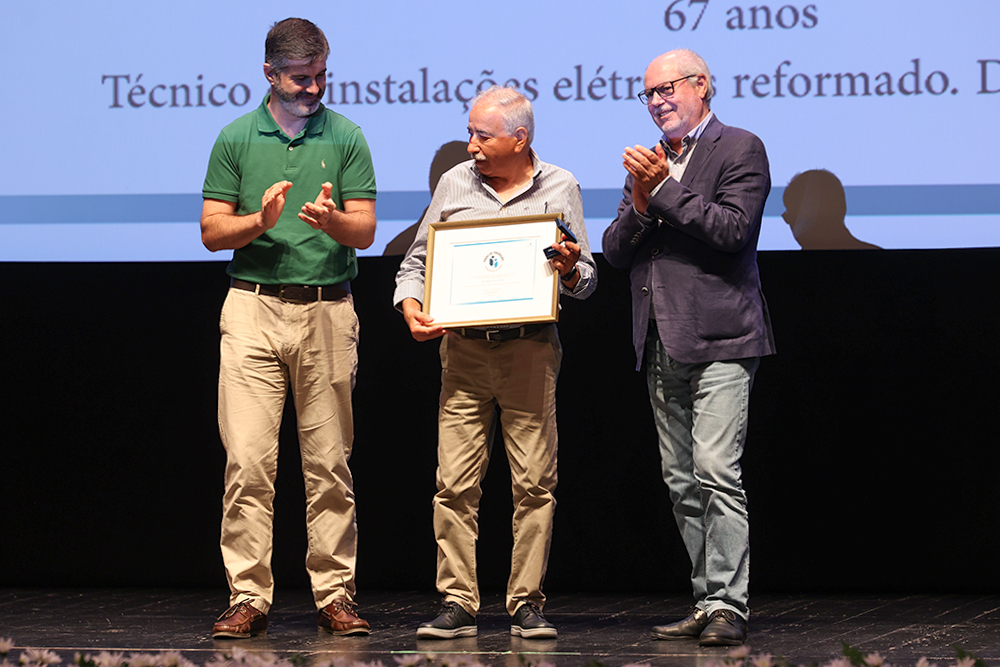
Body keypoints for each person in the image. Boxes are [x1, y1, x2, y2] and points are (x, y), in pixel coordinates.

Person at [393, 86, 596, 640]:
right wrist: (411, 306)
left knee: (534, 483)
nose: (472, 144)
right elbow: (416, 262)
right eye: (470, 132)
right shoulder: (454, 183)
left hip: (530, 349)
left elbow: (587, 280)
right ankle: (458, 601)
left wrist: (573, 267)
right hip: (462, 350)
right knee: (454, 483)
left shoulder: (560, 186)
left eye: (483, 135)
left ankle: (526, 602)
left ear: (519, 138)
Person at [200, 17, 376, 639]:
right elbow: (211, 231)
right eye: (301, 78)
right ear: (270, 75)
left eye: (321, 75)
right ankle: (248, 595)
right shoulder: (235, 137)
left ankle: (335, 594)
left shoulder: (348, 136)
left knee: (329, 464)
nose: (313, 88)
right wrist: (259, 220)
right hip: (251, 309)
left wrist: (331, 222)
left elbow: (366, 230)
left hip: (328, 309)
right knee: (248, 462)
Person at [602, 49, 776, 647]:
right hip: (658, 336)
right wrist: (644, 201)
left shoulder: (740, 147)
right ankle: (706, 601)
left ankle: (731, 604)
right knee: (680, 480)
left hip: (723, 337)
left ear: (701, 86)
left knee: (714, 469)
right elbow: (617, 248)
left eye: (667, 89)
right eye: (648, 94)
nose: (656, 101)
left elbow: (732, 231)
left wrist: (663, 191)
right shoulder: (651, 162)